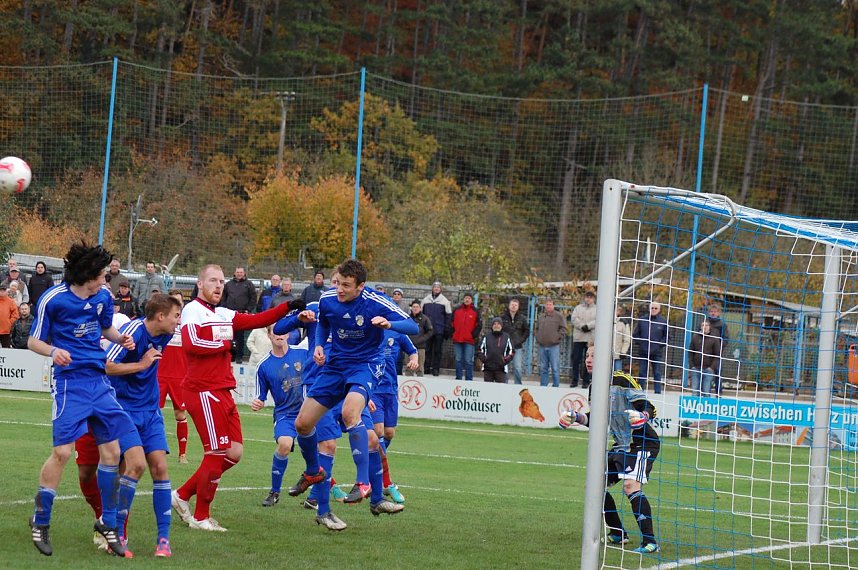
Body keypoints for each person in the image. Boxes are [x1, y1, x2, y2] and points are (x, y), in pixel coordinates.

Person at [170, 264, 303, 532]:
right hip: (203, 390)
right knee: (216, 452)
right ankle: (201, 516)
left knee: (234, 452)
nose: (218, 285)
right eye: (212, 281)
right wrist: (223, 344)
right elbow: (191, 343)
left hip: (223, 389)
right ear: (199, 283)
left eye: (221, 281)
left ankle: (182, 495)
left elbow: (257, 320)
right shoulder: (192, 310)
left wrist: (287, 308)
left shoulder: (223, 312)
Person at [28, 241, 135, 557]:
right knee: (62, 452)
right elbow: (34, 340)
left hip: (99, 381)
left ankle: (107, 523)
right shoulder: (53, 300)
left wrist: (122, 338)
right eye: (101, 276)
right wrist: (54, 350)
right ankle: (41, 519)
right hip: (70, 384)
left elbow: (105, 330)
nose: (105, 282)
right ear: (85, 275)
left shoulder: (102, 297)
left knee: (113, 451)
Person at [290, 259, 415, 526]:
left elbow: (413, 327)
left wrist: (389, 325)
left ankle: (364, 483)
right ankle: (313, 472)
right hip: (334, 368)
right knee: (302, 424)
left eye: (347, 285)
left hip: (364, 366)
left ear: (361, 286)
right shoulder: (327, 299)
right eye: (338, 283)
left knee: (351, 413)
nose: (340, 289)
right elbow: (324, 323)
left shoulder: (375, 301)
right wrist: (320, 345)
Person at [559, 345, 660, 554]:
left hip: (641, 441)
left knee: (631, 486)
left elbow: (650, 407)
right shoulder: (594, 387)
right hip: (621, 445)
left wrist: (643, 416)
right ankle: (618, 532)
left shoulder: (621, 379)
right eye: (587, 355)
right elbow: (596, 420)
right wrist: (575, 417)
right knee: (595, 485)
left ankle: (650, 542)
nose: (588, 359)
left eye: (594, 355)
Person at [104, 293, 183, 558]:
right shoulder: (132, 333)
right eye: (175, 316)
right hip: (124, 410)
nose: (178, 322)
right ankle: (117, 534)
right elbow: (105, 365)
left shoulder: (166, 332)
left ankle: (164, 540)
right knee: (134, 466)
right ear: (160, 317)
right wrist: (142, 364)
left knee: (160, 467)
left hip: (150, 411)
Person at [250, 326, 309, 507]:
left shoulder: (303, 352)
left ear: (288, 334)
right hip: (285, 414)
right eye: (275, 332)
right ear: (269, 335)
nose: (279, 335)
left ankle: (316, 496)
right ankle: (274, 492)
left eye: (283, 331)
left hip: (309, 412)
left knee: (321, 450)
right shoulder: (264, 365)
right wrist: (258, 402)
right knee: (284, 445)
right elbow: (260, 396)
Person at [371, 328, 418, 503]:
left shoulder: (397, 332)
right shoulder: (369, 330)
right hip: (374, 390)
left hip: (391, 391)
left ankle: (373, 465)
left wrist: (414, 360)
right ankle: (386, 482)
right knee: (379, 432)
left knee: (389, 433)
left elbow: (413, 352)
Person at [158, 289, 190, 464]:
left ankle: (182, 454)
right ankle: (157, 449)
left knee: (180, 414)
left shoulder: (187, 324)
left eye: (179, 302)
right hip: (160, 374)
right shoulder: (161, 321)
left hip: (180, 376)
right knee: (155, 412)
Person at [221, 266, 258, 363]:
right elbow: (223, 297)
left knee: (240, 336)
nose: (239, 274)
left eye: (241, 272)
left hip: (241, 314)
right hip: (229, 315)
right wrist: (224, 308)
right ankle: (230, 355)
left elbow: (253, 298)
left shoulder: (249, 284)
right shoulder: (228, 284)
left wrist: (248, 310)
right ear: (235, 273)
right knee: (229, 336)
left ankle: (239, 356)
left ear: (244, 273)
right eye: (237, 272)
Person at [632, 302, 668, 394]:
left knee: (657, 373)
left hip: (657, 352)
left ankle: (658, 393)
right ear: (649, 308)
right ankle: (640, 392)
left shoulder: (663, 321)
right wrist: (641, 343)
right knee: (642, 373)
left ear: (659, 310)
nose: (654, 310)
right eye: (652, 308)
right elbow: (635, 335)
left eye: (656, 308)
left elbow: (667, 337)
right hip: (643, 351)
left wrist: (659, 345)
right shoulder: (642, 320)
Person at [421, 281, 452, 376]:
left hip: (439, 330)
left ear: (440, 289)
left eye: (438, 287)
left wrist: (446, 329)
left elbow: (448, 316)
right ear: (432, 288)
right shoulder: (426, 300)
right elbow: (421, 314)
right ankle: (426, 368)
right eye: (435, 287)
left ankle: (436, 369)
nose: (436, 289)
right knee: (427, 350)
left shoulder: (444, 301)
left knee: (438, 351)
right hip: (428, 330)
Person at [535, 298, 566, 387]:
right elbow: (536, 328)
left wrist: (557, 337)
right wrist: (538, 337)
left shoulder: (559, 316)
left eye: (550, 304)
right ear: (545, 305)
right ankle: (543, 386)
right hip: (542, 346)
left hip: (554, 346)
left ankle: (555, 386)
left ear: (553, 305)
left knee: (555, 368)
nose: (548, 306)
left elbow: (563, 329)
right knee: (544, 368)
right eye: (547, 304)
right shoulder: (541, 316)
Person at [450, 292, 481, 381]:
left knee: (468, 360)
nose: (467, 300)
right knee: (458, 359)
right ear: (463, 299)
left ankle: (469, 379)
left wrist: (473, 335)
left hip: (469, 340)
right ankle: (458, 378)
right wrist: (453, 333)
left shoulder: (475, 311)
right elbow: (451, 322)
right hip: (457, 339)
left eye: (469, 298)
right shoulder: (456, 310)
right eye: (466, 298)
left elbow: (479, 325)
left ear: (471, 300)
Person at [688, 320, 721, 397]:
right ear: (700, 327)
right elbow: (690, 352)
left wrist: (712, 367)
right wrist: (692, 366)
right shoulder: (695, 337)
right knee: (695, 392)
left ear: (709, 327)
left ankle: (705, 408)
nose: (704, 327)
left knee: (706, 392)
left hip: (708, 369)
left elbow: (717, 355)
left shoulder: (714, 339)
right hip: (696, 368)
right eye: (703, 325)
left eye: (706, 325)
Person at [570, 290, 597, 388]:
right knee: (576, 359)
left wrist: (588, 326)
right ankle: (574, 380)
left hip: (590, 338)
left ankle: (586, 381)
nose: (588, 299)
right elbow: (573, 318)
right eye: (587, 297)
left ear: (593, 299)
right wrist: (582, 326)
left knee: (589, 360)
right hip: (579, 337)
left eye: (590, 297)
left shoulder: (597, 309)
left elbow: (598, 319)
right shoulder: (578, 308)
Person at [501, 298, 529, 385]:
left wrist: (521, 340)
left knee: (517, 367)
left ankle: (517, 385)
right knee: (504, 366)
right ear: (509, 306)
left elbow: (527, 331)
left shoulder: (522, 318)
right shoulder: (502, 317)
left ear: (518, 307)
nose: (513, 306)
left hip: (517, 347)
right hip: (505, 346)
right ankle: (504, 383)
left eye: (515, 305)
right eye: (512, 304)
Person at [478, 317, 514, 383]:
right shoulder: (486, 336)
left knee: (500, 391)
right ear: (492, 326)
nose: (496, 326)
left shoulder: (506, 337)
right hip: (487, 368)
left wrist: (504, 360)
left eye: (498, 324)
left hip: (501, 369)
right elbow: (479, 349)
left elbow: (512, 352)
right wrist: (484, 359)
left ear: (501, 326)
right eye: (494, 324)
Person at [705, 302, 730, 395]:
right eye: (711, 311)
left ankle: (718, 394)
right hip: (705, 354)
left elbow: (726, 339)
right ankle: (704, 394)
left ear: (719, 313)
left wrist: (718, 348)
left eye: (715, 311)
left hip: (717, 354)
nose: (713, 313)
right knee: (704, 374)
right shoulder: (705, 323)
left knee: (718, 374)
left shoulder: (722, 325)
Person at [406, 299, 433, 376]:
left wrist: (422, 339)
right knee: (408, 368)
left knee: (419, 368)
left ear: (420, 308)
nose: (415, 308)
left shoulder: (425, 319)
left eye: (417, 307)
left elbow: (430, 331)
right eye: (413, 307)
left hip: (420, 347)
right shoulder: (407, 318)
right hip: (408, 347)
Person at [0, 283, 20, 348]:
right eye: (1, 290)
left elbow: (15, 314)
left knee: (6, 349)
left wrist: (9, 323)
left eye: (4, 290)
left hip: (6, 331)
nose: (2, 292)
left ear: (6, 291)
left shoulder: (11, 302)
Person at [613, 305, 632, 372]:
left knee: (618, 375)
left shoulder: (623, 323)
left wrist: (623, 352)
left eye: (617, 310)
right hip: (604, 356)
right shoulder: (603, 322)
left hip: (617, 355)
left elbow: (627, 339)